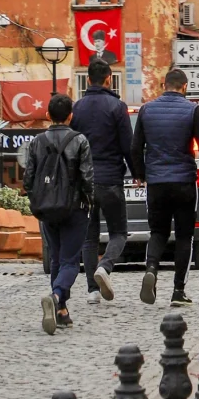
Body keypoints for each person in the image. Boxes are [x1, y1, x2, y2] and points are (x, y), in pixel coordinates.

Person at [131, 66, 199, 307]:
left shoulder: (147, 110)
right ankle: (178, 290)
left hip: (156, 183)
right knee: (184, 236)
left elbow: (136, 146)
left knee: (158, 232)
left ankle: (151, 268)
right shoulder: (193, 110)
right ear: (185, 87)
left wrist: (140, 174)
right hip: (184, 183)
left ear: (163, 86)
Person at [23, 91, 94, 334]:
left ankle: (61, 311)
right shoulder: (80, 140)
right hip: (74, 208)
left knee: (56, 258)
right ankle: (56, 296)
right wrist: (90, 201)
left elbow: (28, 179)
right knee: (70, 260)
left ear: (47, 115)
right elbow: (87, 177)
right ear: (70, 116)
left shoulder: (36, 142)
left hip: (47, 209)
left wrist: (38, 199)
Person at [69, 56, 133, 304]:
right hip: (111, 179)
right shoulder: (118, 107)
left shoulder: (77, 108)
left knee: (89, 237)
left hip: (84, 182)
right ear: (109, 80)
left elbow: (72, 145)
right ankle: (105, 267)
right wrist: (138, 172)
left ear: (87, 80)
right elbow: (127, 146)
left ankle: (92, 291)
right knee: (119, 232)